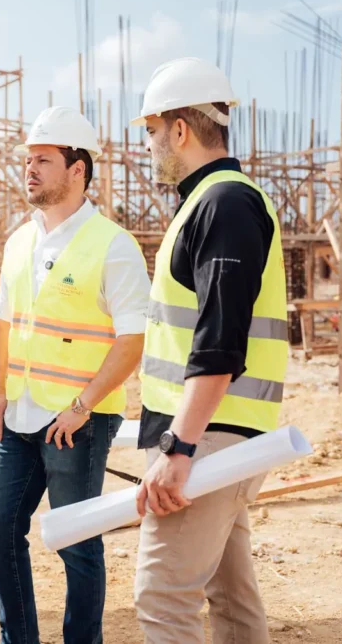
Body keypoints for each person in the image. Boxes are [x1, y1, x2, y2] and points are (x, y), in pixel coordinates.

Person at [130, 57, 288, 644]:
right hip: (225, 434)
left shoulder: (222, 204)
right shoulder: (215, 203)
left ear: (179, 130)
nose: (147, 145)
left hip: (208, 436)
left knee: (163, 600)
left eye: (151, 131)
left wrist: (179, 445)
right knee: (231, 596)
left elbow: (220, 342)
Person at [0, 106, 150, 644]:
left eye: (44, 161)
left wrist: (82, 406)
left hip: (78, 419)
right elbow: (3, 319)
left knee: (77, 541)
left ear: (78, 170)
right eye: (28, 160)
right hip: (22, 413)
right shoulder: (19, 240)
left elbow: (132, 342)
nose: (30, 169)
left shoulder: (113, 245)